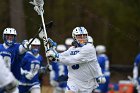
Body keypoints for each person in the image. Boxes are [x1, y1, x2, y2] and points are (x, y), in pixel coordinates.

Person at [46, 26, 106, 93]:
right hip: (73, 80)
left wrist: (56, 56)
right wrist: (53, 49)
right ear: (74, 37)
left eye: (84, 36)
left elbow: (72, 60)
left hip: (86, 82)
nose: (82, 38)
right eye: (80, 36)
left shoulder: (89, 49)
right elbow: (61, 56)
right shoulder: (72, 49)